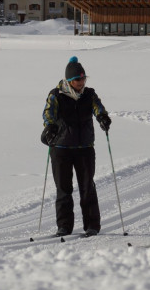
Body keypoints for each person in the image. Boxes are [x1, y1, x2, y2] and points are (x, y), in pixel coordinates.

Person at [41, 56, 112, 237]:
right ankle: (64, 226)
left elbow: (98, 108)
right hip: (61, 148)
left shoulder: (89, 94)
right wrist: (49, 126)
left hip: (84, 148)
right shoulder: (56, 95)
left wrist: (103, 117)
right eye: (78, 80)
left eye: (83, 78)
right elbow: (49, 113)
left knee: (87, 187)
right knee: (63, 189)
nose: (82, 82)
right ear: (69, 81)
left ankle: (92, 226)